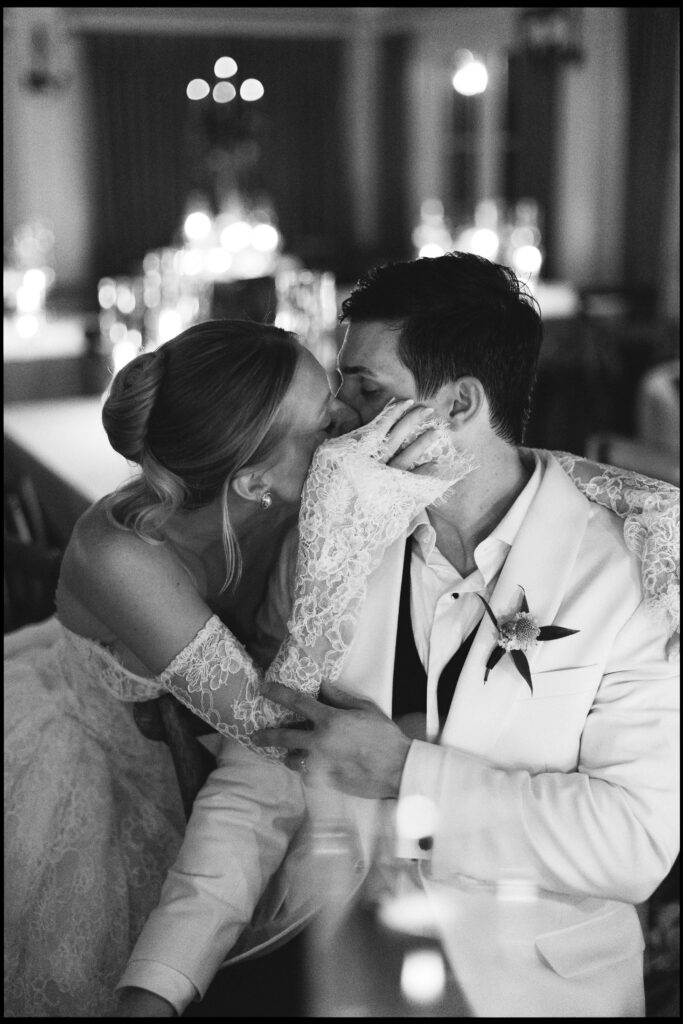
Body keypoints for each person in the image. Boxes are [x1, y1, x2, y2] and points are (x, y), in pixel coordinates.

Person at [117, 254, 679, 1018]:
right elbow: (263, 777)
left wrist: (404, 773)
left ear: (457, 406)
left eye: (366, 389)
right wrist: (158, 981)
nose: (337, 416)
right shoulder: (327, 542)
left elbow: (632, 843)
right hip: (348, 974)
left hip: (542, 990)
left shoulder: (635, 570)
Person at [5, 317, 468, 1018]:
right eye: (321, 424)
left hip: (221, 761)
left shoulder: (290, 488)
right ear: (254, 481)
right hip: (99, 755)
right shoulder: (120, 557)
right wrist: (338, 549)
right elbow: (275, 730)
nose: (346, 422)